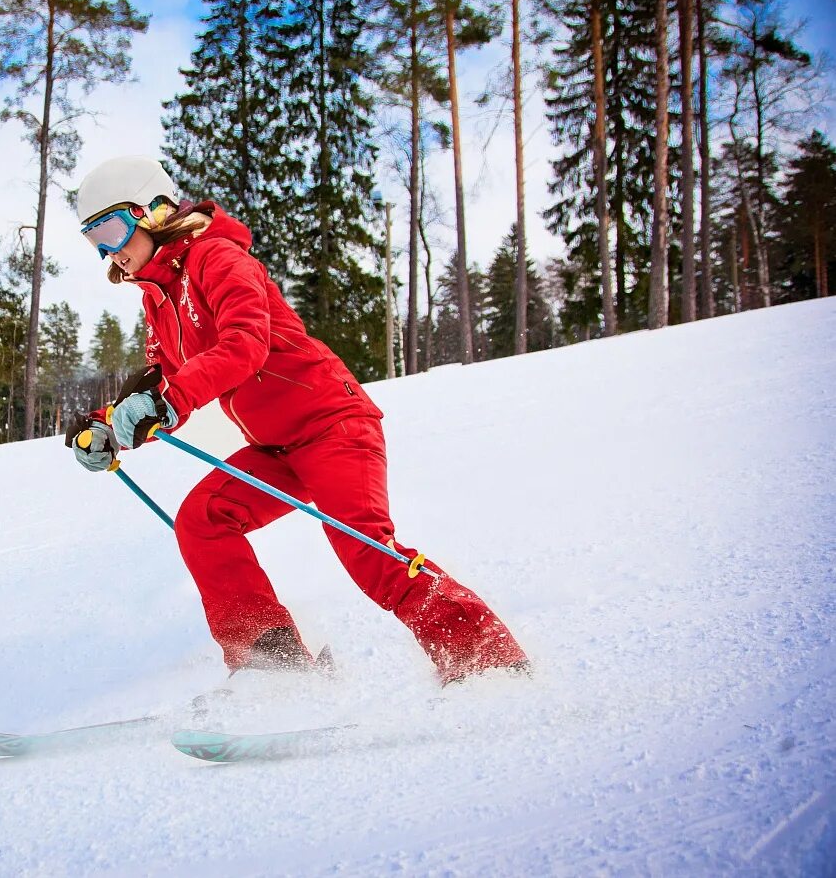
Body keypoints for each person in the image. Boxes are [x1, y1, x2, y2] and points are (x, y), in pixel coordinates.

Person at [69, 155, 528, 685]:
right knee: (203, 521)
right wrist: (109, 426)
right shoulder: (160, 299)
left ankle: (489, 661)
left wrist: (169, 400)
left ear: (152, 210)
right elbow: (162, 382)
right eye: (93, 241)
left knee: (369, 554)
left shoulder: (218, 259)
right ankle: (274, 663)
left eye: (111, 229)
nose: (109, 252)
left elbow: (246, 345)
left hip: (333, 425)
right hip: (276, 449)